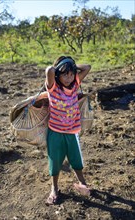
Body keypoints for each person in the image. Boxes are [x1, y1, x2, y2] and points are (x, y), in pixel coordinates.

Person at [45, 55, 91, 205]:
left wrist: (71, 66)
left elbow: (88, 67)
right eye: (65, 74)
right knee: (55, 161)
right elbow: (49, 70)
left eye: (71, 74)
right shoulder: (53, 88)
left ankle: (82, 183)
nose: (69, 78)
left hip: (72, 132)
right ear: (58, 75)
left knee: (76, 159)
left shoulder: (75, 85)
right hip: (55, 132)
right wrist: (60, 67)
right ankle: (54, 188)